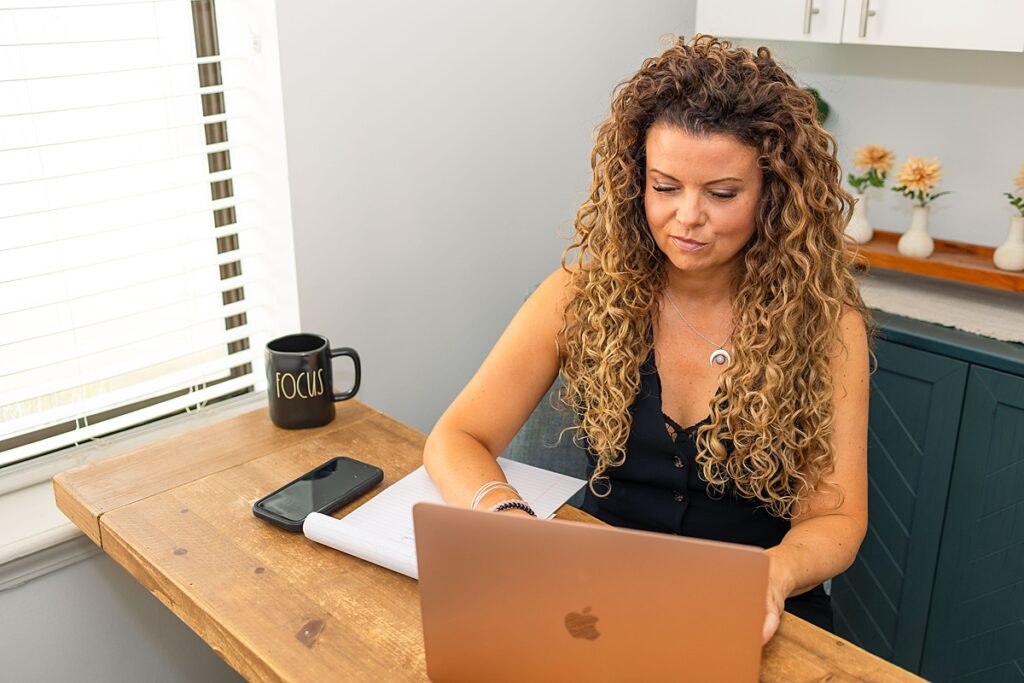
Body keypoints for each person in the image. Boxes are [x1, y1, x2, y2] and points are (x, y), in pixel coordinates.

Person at [423, 34, 872, 645]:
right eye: (665, 187)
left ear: (774, 196)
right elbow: (456, 438)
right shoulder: (579, 292)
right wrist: (508, 517)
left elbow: (837, 518)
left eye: (721, 194)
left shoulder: (823, 321)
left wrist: (775, 571)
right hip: (601, 603)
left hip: (756, 609)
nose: (687, 216)